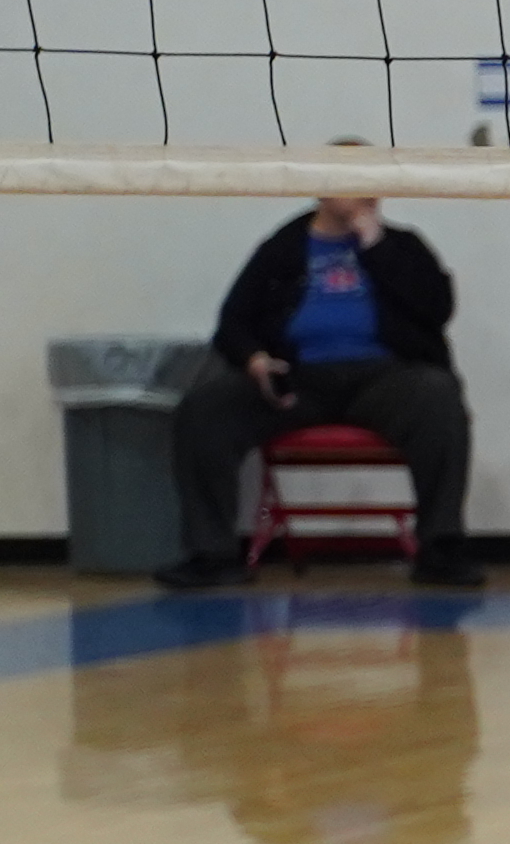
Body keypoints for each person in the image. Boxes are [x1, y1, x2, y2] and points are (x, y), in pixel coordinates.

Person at [163, 181, 482, 587]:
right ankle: (211, 555)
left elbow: (437, 309)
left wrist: (376, 245)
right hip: (299, 379)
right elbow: (233, 322)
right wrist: (255, 360)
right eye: (352, 180)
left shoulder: (403, 245)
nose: (367, 191)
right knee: (205, 409)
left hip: (385, 377)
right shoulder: (284, 247)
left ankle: (441, 550)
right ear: (323, 189)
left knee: (438, 397)